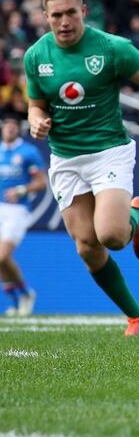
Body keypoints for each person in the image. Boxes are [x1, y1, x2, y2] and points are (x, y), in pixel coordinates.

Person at [24, 0, 139, 337]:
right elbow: (35, 103)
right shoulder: (35, 57)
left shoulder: (112, 48)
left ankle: (137, 213)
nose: (65, 21)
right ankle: (137, 318)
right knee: (87, 246)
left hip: (108, 152)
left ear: (83, 11)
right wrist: (35, 120)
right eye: (56, 15)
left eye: (71, 12)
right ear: (45, 17)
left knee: (113, 237)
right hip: (65, 158)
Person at [0, 112, 46, 317]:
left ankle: (27, 293)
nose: (10, 128)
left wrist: (21, 190)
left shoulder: (28, 152)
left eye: (14, 125)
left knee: (2, 256)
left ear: (19, 128)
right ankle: (16, 301)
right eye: (7, 124)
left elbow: (41, 182)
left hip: (17, 210)